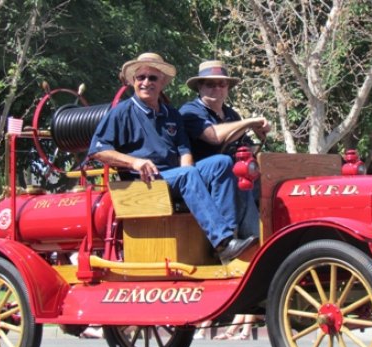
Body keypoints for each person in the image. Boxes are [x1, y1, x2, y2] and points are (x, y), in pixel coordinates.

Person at [88, 53, 256, 265]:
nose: (146, 82)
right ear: (133, 82)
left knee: (222, 163)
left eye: (152, 78)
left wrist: (189, 172)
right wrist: (134, 162)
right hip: (143, 181)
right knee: (188, 174)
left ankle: (230, 236)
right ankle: (223, 242)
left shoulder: (171, 114)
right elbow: (98, 150)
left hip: (173, 177)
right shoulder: (122, 112)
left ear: (163, 83)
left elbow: (184, 150)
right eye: (141, 77)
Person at [179, 60, 270, 238]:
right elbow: (214, 137)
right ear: (200, 87)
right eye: (210, 84)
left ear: (227, 87)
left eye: (222, 84)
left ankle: (274, 234)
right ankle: (241, 241)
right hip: (203, 178)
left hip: (232, 174)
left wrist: (262, 134)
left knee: (266, 178)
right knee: (237, 175)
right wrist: (249, 122)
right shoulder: (190, 111)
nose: (217, 88)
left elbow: (247, 146)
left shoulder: (231, 115)